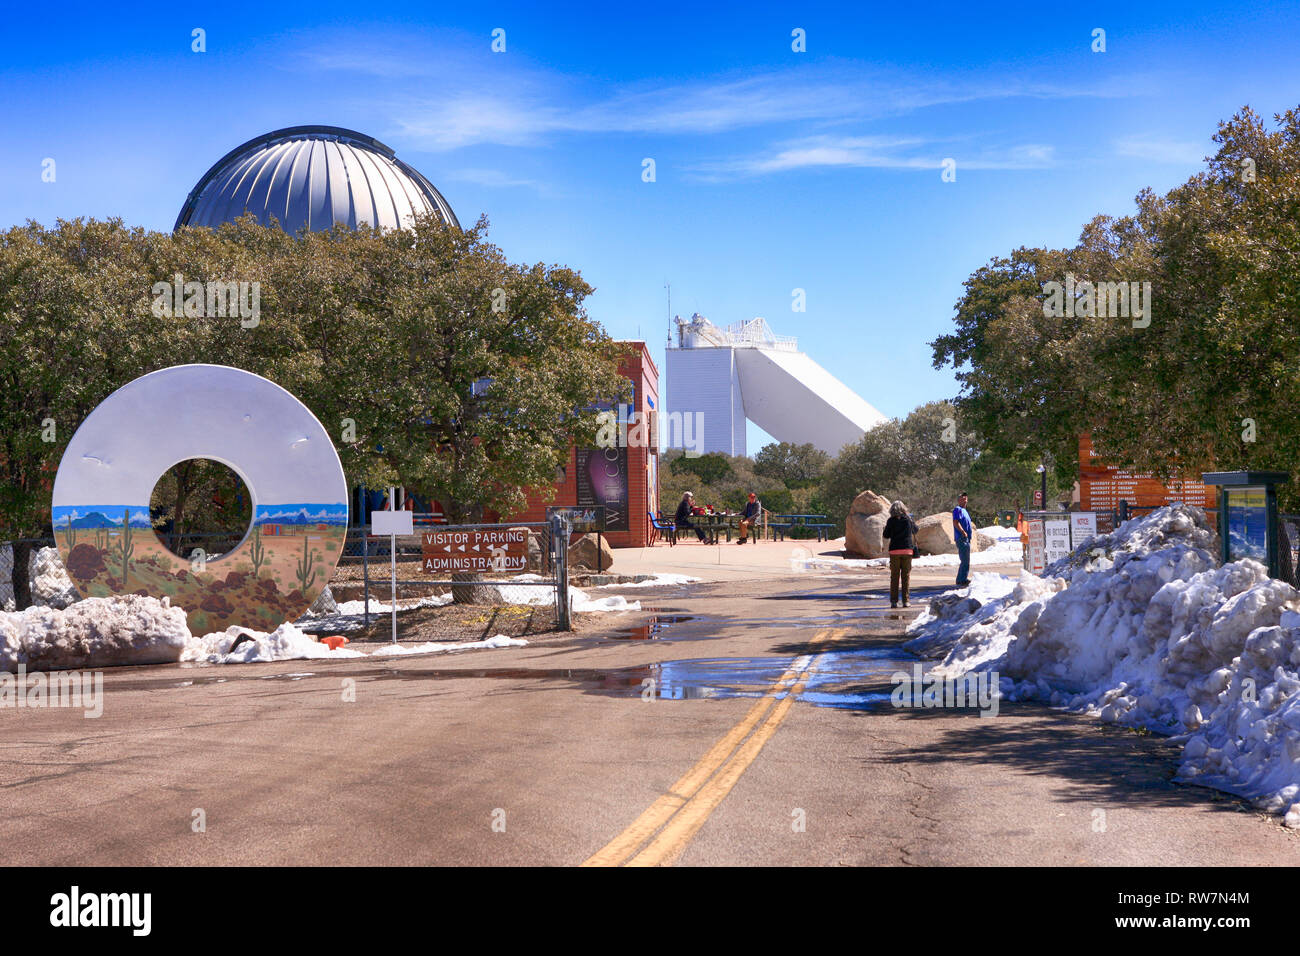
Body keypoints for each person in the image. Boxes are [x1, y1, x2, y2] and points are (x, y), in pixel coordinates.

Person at [882, 500, 919, 608]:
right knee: (906, 576)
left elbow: (886, 535)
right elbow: (916, 530)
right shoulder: (908, 519)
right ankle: (906, 601)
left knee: (894, 576)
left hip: (894, 550)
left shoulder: (890, 521)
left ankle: (894, 601)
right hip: (907, 550)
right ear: (903, 509)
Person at [953, 491, 973, 587]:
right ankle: (961, 580)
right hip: (962, 538)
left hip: (966, 538)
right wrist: (963, 532)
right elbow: (956, 522)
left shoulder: (965, 511)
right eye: (962, 498)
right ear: (958, 500)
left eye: (965, 498)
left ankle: (962, 578)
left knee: (966, 560)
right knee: (964, 560)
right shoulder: (958, 509)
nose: (964, 500)